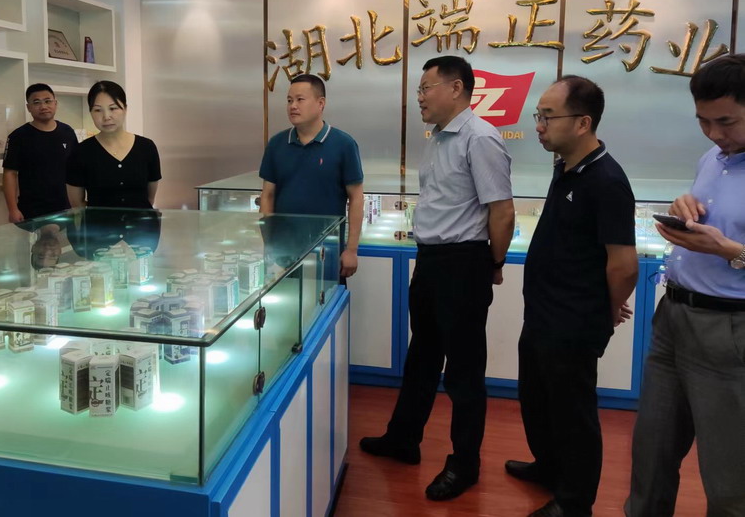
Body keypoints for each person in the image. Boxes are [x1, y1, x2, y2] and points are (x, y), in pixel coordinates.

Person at [360, 56, 515, 502]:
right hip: (430, 260)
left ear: (457, 88)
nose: (420, 97)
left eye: (426, 88)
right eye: (419, 89)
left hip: (463, 264)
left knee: (464, 371)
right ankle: (403, 438)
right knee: (422, 356)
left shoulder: (480, 138)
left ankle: (465, 463)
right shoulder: (438, 138)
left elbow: (501, 210)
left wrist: (494, 262)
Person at [506, 76, 638, 517]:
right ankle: (549, 467)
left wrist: (604, 309)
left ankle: (574, 502)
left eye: (548, 116)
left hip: (573, 322)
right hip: (543, 314)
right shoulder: (565, 167)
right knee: (537, 400)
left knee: (572, 413)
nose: (539, 125)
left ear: (583, 122)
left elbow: (624, 265)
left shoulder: (607, 180)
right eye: (538, 115)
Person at [626, 55, 745, 517]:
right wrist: (686, 206)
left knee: (729, 479)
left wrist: (727, 249)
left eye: (725, 122)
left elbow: (728, 244)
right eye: (702, 121)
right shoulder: (712, 158)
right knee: (650, 457)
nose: (714, 133)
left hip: (728, 331)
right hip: (673, 320)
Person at [259, 73, 364, 279]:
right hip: (284, 253)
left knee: (328, 299)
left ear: (320, 103)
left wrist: (351, 249)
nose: (293, 106)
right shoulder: (276, 144)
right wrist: (268, 244)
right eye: (289, 100)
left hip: (327, 250)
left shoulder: (343, 144)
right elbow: (267, 195)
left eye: (300, 99)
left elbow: (356, 198)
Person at [66, 81, 161, 210]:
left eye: (113, 108)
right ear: (91, 112)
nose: (106, 117)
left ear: (125, 109)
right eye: (98, 110)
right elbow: (77, 204)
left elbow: (149, 199)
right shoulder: (81, 152)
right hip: (100, 223)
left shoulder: (147, 147)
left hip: (141, 222)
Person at [2, 83, 78, 223]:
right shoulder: (18, 137)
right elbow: (10, 174)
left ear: (55, 104)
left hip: (65, 209)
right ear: (28, 107)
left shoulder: (67, 132)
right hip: (31, 211)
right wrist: (12, 209)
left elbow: (76, 169)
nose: (43, 106)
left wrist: (78, 204)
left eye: (48, 101)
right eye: (37, 102)